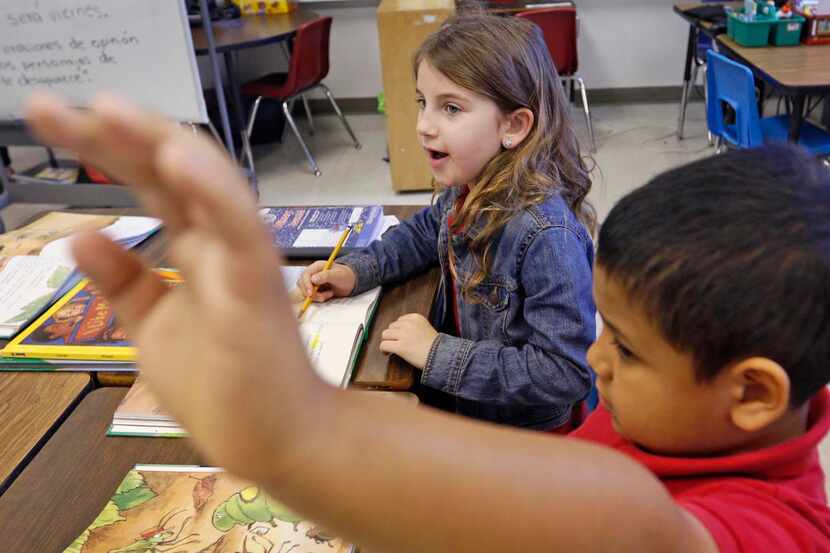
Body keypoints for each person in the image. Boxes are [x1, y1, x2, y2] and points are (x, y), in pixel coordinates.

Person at [24, 95, 830, 552]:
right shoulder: (675, 427)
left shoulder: (775, 528)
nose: (596, 354)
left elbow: (635, 525)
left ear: (753, 392)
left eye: (624, 346)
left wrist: (296, 435)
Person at [299, 15, 596, 431]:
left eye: (451, 108)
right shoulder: (473, 183)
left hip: (521, 440)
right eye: (424, 102)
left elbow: (562, 373)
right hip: (468, 405)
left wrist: (438, 352)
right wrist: (354, 270)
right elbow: (422, 233)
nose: (423, 126)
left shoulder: (547, 236)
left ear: (514, 126)